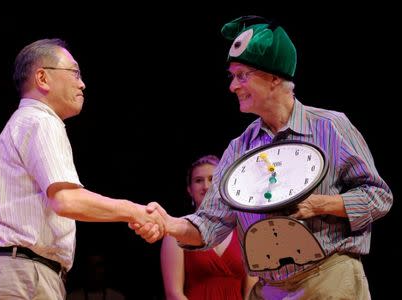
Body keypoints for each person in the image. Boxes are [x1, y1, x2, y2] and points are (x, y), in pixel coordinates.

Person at [131, 15, 393, 299]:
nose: (233, 86)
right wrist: (170, 224)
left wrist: (321, 204)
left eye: (242, 75)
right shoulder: (239, 149)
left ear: (274, 78)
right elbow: (211, 222)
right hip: (270, 288)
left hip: (328, 279)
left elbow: (378, 197)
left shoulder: (329, 126)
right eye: (232, 76)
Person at [0, 38, 163, 300]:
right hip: (22, 277)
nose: (82, 83)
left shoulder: (22, 124)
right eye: (74, 73)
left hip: (18, 273)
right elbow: (66, 200)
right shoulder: (41, 120)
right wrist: (135, 211)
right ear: (43, 78)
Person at [161, 155, 257, 299]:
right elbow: (174, 294)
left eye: (212, 179)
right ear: (189, 189)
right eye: (198, 180)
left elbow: (251, 292)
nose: (206, 186)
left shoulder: (244, 232)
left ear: (223, 183)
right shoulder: (176, 231)